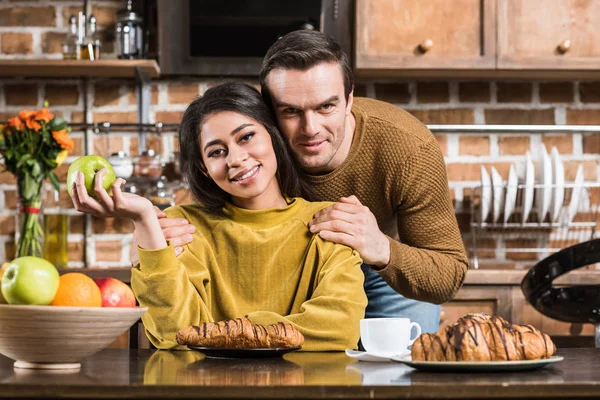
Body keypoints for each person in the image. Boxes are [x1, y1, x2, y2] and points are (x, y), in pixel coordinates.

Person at [133, 30, 469, 334]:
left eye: (326, 106)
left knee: (392, 375)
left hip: (386, 267)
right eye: (291, 111)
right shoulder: (258, 142)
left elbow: (448, 274)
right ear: (267, 113)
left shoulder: (408, 147)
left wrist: (380, 248)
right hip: (305, 268)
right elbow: (217, 184)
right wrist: (153, 247)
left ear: (349, 99)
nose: (310, 129)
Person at [73, 81, 367, 351]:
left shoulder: (328, 220)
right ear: (203, 168)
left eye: (247, 137)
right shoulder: (182, 227)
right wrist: (144, 220)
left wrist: (224, 332)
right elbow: (171, 333)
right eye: (216, 152)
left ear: (273, 135)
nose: (236, 159)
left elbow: (340, 328)